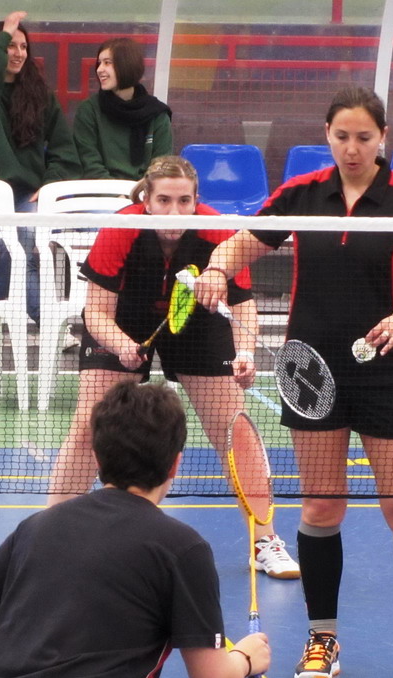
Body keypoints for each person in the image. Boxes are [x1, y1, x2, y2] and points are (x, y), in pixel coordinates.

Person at [193, 86, 393, 678]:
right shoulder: (304, 192)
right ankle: (323, 641)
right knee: (320, 506)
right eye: (342, 136)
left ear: (383, 137)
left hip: (386, 367)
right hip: (311, 370)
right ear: (327, 135)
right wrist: (216, 268)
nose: (352, 148)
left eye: (364, 137)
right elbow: (246, 240)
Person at [47, 155, 300, 580]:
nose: (174, 211)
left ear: (196, 200)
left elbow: (242, 304)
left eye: (184, 201)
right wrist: (122, 346)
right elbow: (96, 313)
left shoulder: (217, 229)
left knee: (236, 429)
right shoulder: (121, 228)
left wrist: (245, 353)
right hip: (124, 321)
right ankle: (50, 535)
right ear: (146, 198)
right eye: (164, 200)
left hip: (198, 322)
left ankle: (265, 541)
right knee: (88, 427)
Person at [0, 380, 271, 678]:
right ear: (175, 464)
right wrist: (245, 657)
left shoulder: (37, 525)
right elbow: (211, 675)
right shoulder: (183, 548)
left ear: (96, 457)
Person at [0, 10, 81, 343]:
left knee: (20, 244)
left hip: (26, 196)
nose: (18, 52)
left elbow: (64, 151)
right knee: (19, 247)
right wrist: (4, 33)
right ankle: (52, 325)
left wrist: (50, 183)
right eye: (10, 45)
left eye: (23, 46)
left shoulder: (42, 96)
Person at [73, 37, 173, 179]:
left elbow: (161, 167)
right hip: (101, 192)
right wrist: (117, 197)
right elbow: (90, 164)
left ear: (126, 65)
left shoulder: (157, 114)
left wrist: (138, 196)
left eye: (107, 63)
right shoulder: (89, 110)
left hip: (145, 195)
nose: (100, 69)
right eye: (99, 63)